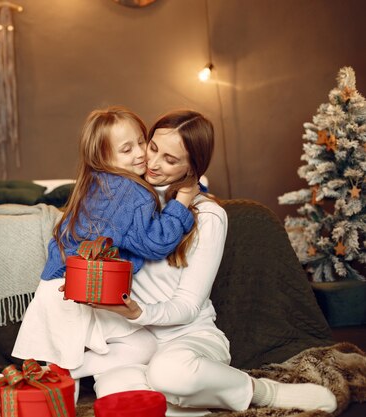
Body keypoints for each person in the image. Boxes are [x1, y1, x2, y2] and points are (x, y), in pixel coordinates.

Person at [91, 110, 337, 415]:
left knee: (169, 373)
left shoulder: (208, 215)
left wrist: (138, 311)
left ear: (193, 166)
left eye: (170, 159)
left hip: (188, 338)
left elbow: (188, 306)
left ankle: (264, 392)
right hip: (133, 341)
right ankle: (185, 399)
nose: (152, 163)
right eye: (152, 148)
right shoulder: (122, 201)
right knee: (113, 389)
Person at [0, 106, 199, 398]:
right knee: (69, 388)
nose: (141, 154)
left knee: (127, 351)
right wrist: (181, 203)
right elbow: (155, 243)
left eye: (141, 142)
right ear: (104, 158)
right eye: (126, 149)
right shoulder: (130, 192)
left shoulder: (96, 184)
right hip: (79, 291)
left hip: (65, 287)